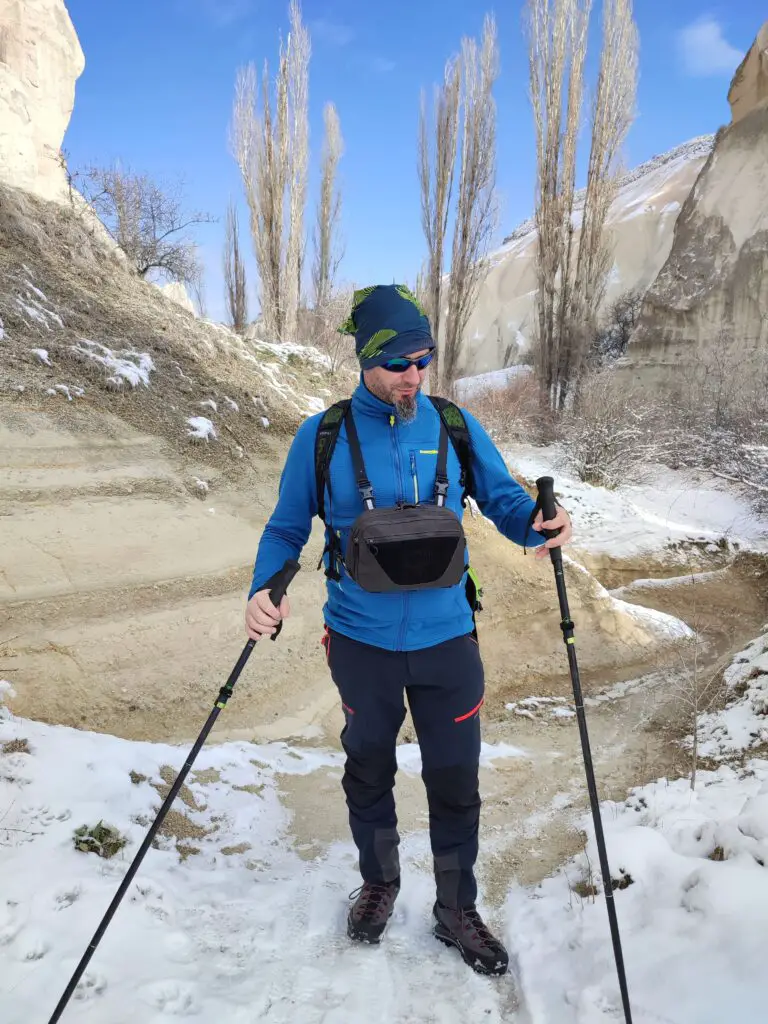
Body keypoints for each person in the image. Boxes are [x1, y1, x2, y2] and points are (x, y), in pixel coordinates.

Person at [245, 284, 572, 976]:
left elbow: (504, 498)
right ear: (366, 361)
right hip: (360, 643)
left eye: (423, 360)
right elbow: (285, 526)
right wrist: (263, 590)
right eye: (398, 363)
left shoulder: (452, 424)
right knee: (368, 769)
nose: (413, 376)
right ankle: (379, 881)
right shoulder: (324, 434)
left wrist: (536, 522)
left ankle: (456, 909)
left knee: (456, 780)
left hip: (448, 641)